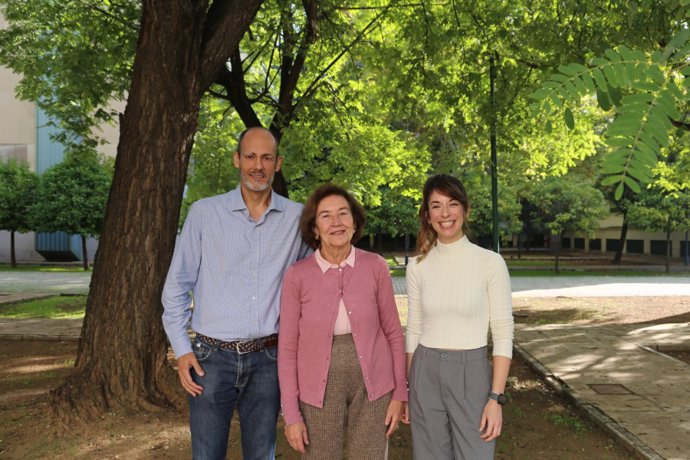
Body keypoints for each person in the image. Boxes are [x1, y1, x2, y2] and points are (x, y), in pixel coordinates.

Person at [161, 126, 311, 460]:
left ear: (278, 163)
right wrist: (183, 350)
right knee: (207, 454)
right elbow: (176, 287)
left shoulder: (297, 218)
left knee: (262, 455)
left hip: (269, 361)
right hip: (210, 361)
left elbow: (313, 283)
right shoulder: (204, 213)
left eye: (266, 157)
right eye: (250, 156)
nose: (258, 165)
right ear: (236, 160)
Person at [278, 184, 407, 459]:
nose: (336, 222)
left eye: (343, 214)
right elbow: (287, 349)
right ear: (314, 228)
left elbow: (394, 333)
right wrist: (291, 414)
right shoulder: (297, 276)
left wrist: (400, 394)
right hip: (317, 388)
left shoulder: (376, 267)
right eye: (326, 216)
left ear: (354, 222)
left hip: (374, 384)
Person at [404, 174, 514, 459]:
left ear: (466, 210)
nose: (445, 213)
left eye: (452, 204)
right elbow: (414, 329)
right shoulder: (417, 266)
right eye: (436, 206)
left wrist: (495, 399)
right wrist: (408, 388)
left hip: (472, 373)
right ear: (427, 216)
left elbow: (502, 335)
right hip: (424, 372)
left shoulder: (490, 263)